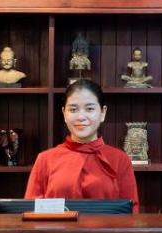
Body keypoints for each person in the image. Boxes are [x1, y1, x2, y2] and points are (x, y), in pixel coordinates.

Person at [25, 79, 139, 212]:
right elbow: (31, 212)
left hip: (106, 227)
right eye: (73, 109)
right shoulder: (45, 159)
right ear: (64, 113)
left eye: (89, 109)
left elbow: (131, 212)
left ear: (103, 113)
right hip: (57, 227)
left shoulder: (120, 159)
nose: (81, 117)